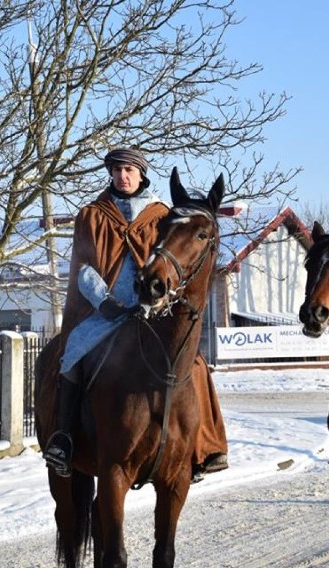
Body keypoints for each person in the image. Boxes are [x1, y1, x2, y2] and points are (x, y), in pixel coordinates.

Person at [43, 147, 228, 480]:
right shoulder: (92, 214)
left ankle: (203, 446)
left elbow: (175, 258)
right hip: (105, 311)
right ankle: (63, 438)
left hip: (152, 310)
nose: (122, 176)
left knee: (194, 364)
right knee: (71, 354)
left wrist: (156, 297)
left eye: (128, 170)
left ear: (141, 174)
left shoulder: (161, 214)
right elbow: (82, 267)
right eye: (116, 171)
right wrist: (105, 300)